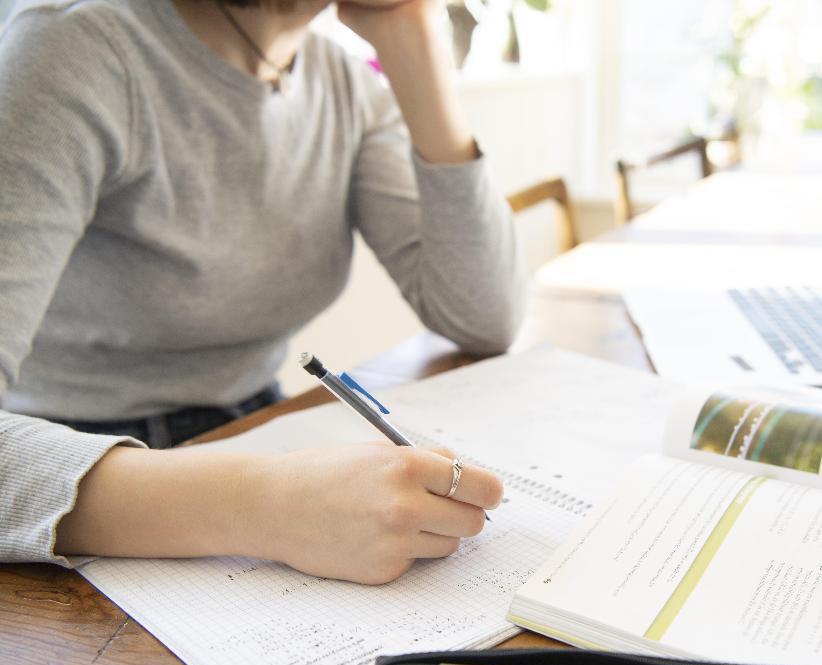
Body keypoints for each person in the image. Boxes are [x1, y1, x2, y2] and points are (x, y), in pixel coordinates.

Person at [0, 0, 523, 585]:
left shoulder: (342, 81)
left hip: (258, 425)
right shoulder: (71, 46)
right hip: (64, 463)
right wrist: (265, 503)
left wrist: (417, 39)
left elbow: (485, 317)